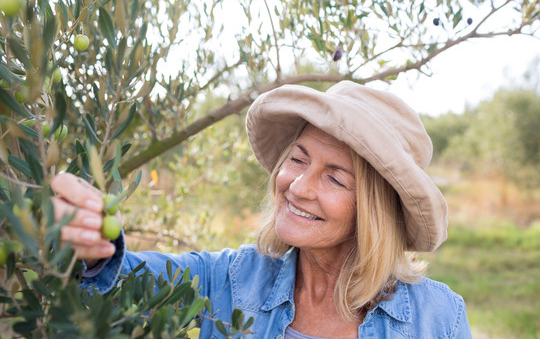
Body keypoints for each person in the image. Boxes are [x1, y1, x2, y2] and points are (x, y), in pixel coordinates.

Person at [51, 81, 472, 338]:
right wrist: (94, 245)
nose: (298, 186)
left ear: (374, 214)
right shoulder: (230, 281)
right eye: (299, 159)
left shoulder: (438, 319)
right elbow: (125, 281)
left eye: (335, 178)